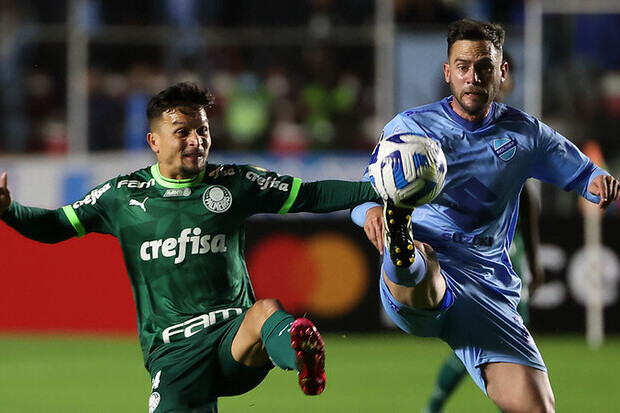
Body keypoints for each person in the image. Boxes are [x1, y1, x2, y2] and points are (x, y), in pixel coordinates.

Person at [0, 81, 381, 412]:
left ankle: (304, 362)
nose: (196, 140)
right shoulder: (122, 197)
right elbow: (54, 226)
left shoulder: (235, 182)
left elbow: (311, 195)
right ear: (154, 141)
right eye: (182, 131)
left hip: (233, 336)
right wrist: (9, 210)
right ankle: (296, 351)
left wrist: (377, 189)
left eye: (202, 130)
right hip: (173, 350)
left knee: (266, 311)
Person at [351, 19, 619, 413]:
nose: (472, 77)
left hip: (489, 290)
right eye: (462, 67)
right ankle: (401, 244)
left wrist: (600, 181)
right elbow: (361, 196)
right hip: (426, 276)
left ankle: (404, 245)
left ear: (501, 72)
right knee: (421, 258)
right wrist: (373, 210)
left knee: (538, 407)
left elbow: (583, 172)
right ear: (448, 73)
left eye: (483, 67)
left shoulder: (526, 135)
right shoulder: (410, 129)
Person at [422, 51, 545, 413]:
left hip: (507, 247)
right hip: (468, 246)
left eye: (497, 73)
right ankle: (435, 405)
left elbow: (529, 200)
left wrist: (533, 260)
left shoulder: (516, 128)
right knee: (486, 329)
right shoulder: (453, 127)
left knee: (500, 329)